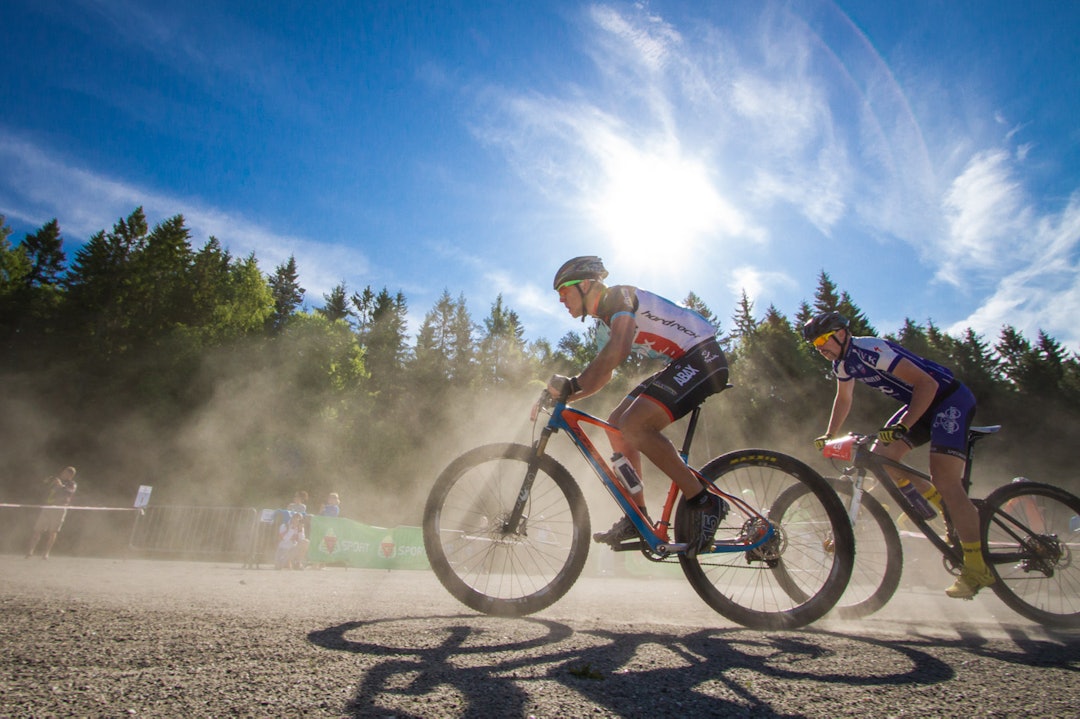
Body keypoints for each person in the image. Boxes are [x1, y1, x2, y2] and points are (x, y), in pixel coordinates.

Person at [546, 256, 730, 556]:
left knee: (634, 425)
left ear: (585, 285)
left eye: (564, 291)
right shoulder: (604, 324)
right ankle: (637, 514)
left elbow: (620, 348)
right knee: (616, 425)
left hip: (704, 358)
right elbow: (603, 373)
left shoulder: (619, 296)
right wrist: (563, 397)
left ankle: (704, 501)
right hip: (683, 362)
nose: (561, 300)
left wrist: (573, 385)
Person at [802, 310, 992, 599]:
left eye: (822, 341)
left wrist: (904, 425)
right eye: (814, 345)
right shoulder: (842, 363)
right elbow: (844, 397)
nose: (820, 349)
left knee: (946, 480)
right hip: (921, 404)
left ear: (841, 334)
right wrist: (830, 434)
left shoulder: (870, 350)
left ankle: (977, 568)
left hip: (948, 399)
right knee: (883, 458)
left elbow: (927, 384)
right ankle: (944, 508)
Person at [26, 466, 78, 560]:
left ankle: (46, 553)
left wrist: (60, 485)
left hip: (59, 508)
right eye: (63, 472)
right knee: (38, 529)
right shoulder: (54, 480)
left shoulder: (72, 484)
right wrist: (48, 481)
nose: (63, 474)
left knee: (53, 531)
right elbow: (42, 486)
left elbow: (69, 492)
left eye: (66, 473)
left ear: (71, 476)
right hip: (48, 507)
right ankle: (30, 551)